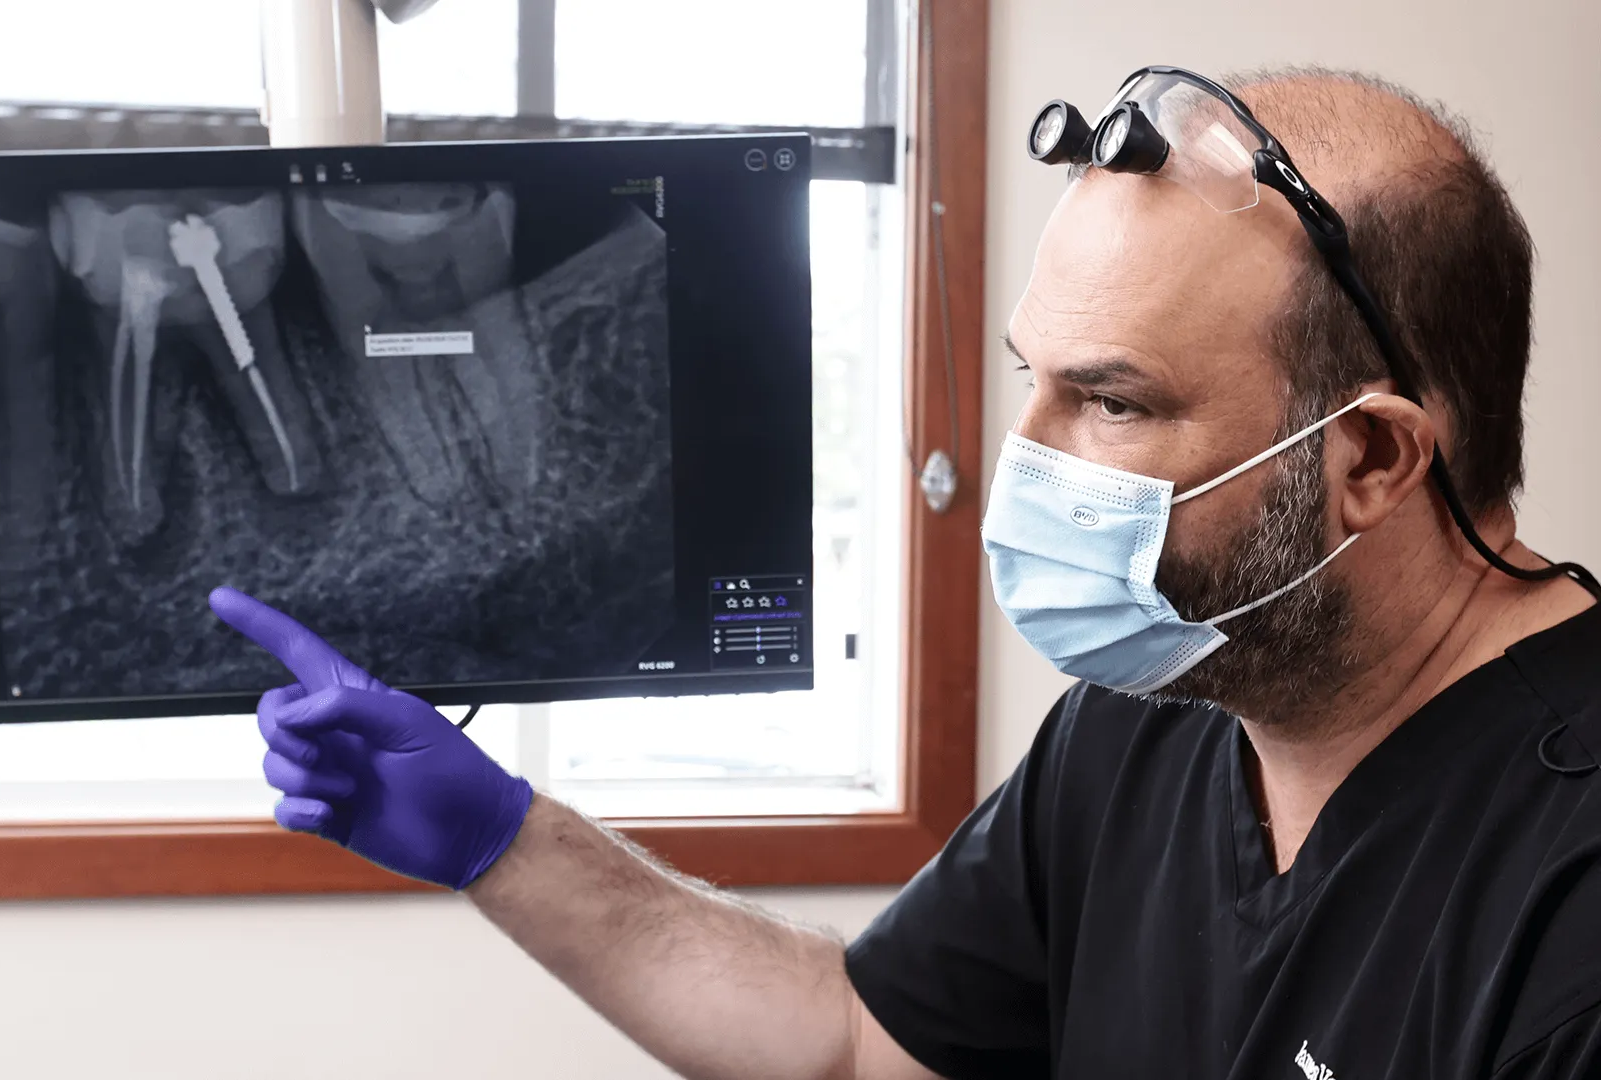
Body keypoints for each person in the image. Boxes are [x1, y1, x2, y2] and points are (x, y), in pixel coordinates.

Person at [207, 66, 1601, 1079]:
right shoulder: (1152, 715)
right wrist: (503, 839)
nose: (1025, 463)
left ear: (1369, 462)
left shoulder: (1563, 894)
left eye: (1112, 404)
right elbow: (854, 1043)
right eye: (1029, 381)